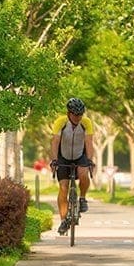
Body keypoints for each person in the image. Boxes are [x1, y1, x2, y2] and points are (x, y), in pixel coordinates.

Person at [50, 97, 95, 236]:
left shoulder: (86, 123)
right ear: (69, 113)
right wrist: (54, 160)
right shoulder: (60, 122)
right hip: (63, 156)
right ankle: (64, 221)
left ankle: (82, 198)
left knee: (83, 173)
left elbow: (89, 142)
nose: (78, 117)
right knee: (63, 188)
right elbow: (55, 141)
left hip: (79, 155)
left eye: (80, 114)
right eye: (75, 114)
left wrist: (89, 160)